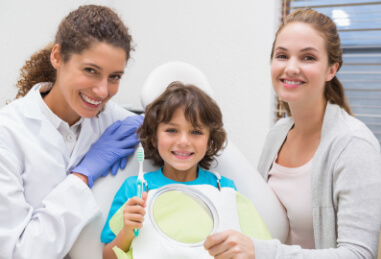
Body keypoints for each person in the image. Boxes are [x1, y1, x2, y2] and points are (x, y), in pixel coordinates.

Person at [204, 8, 381, 258]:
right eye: (282, 55)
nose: (291, 68)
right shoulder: (278, 134)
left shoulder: (354, 145)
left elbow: (358, 254)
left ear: (332, 70)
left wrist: (261, 252)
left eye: (308, 57)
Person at [0, 5, 144, 258]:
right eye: (91, 70)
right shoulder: (8, 133)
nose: (102, 91)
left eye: (115, 77)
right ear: (58, 57)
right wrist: (81, 176)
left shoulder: (113, 122)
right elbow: (16, 252)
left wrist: (157, 120)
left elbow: (179, 130)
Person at [101, 81, 239, 258]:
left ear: (210, 141)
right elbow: (107, 256)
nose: (183, 141)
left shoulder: (224, 189)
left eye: (196, 132)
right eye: (172, 130)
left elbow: (242, 248)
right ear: (153, 138)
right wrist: (127, 232)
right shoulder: (135, 189)